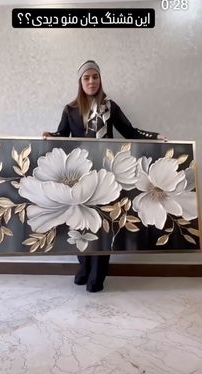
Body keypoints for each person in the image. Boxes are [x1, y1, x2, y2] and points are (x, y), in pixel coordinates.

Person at [43, 59, 167, 293]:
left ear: (100, 79)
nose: (91, 81)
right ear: (80, 82)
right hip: (80, 175)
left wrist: (154, 136)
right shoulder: (70, 109)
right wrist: (49, 135)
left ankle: (97, 275)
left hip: (106, 174)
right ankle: (84, 268)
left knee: (103, 224)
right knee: (80, 222)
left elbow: (130, 132)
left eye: (95, 76)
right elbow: (62, 135)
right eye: (87, 77)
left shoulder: (111, 107)